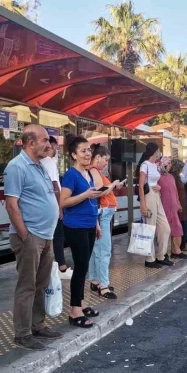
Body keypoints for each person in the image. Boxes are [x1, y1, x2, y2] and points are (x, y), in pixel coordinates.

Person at [5, 125, 63, 351]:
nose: (48, 145)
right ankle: (22, 333)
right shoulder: (16, 167)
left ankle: (37, 325)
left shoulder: (40, 165)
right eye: (45, 140)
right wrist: (25, 235)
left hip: (46, 235)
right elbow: (11, 205)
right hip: (30, 236)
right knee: (27, 285)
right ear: (30, 143)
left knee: (41, 283)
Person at [60, 135, 111, 327]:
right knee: (80, 268)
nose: (87, 154)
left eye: (89, 150)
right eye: (83, 151)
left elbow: (92, 201)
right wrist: (85, 195)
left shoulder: (88, 173)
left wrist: (96, 224)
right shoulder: (71, 175)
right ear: (73, 154)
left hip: (90, 225)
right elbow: (63, 202)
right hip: (76, 226)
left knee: (84, 267)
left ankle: (81, 304)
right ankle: (74, 311)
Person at [87, 144, 122, 298]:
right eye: (105, 160)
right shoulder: (94, 170)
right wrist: (113, 184)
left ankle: (95, 280)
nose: (106, 163)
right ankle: (104, 286)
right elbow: (100, 191)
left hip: (101, 214)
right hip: (103, 214)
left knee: (97, 250)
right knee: (104, 250)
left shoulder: (93, 171)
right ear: (98, 157)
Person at [40, 136, 73, 280]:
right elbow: (55, 186)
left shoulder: (37, 162)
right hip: (53, 205)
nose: (55, 150)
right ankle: (61, 267)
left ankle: (51, 268)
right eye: (53, 146)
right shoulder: (49, 163)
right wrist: (60, 207)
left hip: (43, 207)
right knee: (58, 237)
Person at [138, 143, 172, 268]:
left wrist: (158, 186)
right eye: (159, 151)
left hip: (156, 195)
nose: (160, 153)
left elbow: (155, 179)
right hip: (148, 197)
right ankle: (149, 259)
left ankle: (161, 255)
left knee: (165, 227)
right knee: (149, 228)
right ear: (155, 151)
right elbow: (141, 186)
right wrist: (143, 204)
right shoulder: (145, 165)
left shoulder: (154, 165)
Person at [158, 156, 187, 260]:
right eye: (169, 164)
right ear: (164, 164)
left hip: (173, 207)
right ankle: (163, 253)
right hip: (163, 207)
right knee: (164, 231)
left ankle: (176, 250)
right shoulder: (157, 176)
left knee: (177, 228)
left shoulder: (171, 177)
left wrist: (178, 203)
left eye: (171, 164)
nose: (170, 166)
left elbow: (175, 192)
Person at [171, 159, 187, 252]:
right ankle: (179, 246)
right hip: (179, 204)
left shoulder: (177, 176)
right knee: (180, 225)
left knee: (183, 224)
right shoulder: (174, 177)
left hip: (182, 202)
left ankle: (181, 245)